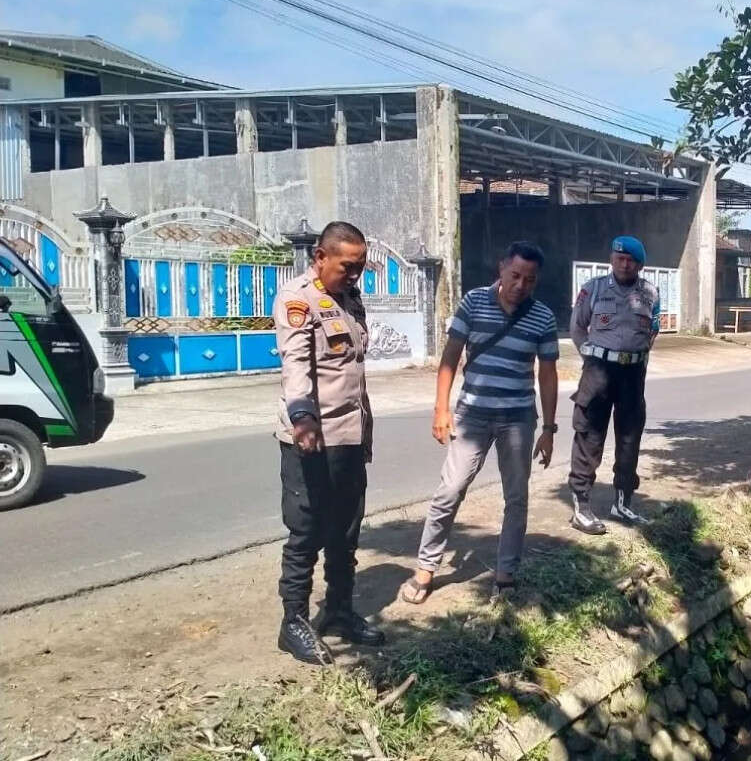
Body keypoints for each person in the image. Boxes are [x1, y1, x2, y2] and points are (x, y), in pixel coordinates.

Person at [401, 241, 558, 605]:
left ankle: (505, 574)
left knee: (516, 498)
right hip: (473, 415)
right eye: (515, 275)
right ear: (502, 268)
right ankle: (426, 567)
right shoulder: (474, 302)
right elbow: (451, 357)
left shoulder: (543, 317)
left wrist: (549, 429)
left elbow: (547, 375)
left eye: (530, 280)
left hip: (518, 418)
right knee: (449, 490)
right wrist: (441, 409)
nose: (521, 285)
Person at [273, 220, 382, 665]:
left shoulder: (350, 297)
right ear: (319, 256)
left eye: (359, 267)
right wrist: (303, 417)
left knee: (345, 530)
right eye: (347, 266)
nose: (354, 275)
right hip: (311, 439)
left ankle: (339, 609)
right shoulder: (297, 299)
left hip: (350, 435)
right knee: (306, 532)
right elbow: (296, 362)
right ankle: (293, 622)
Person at [566, 235, 660, 535]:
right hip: (598, 372)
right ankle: (581, 508)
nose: (624, 263)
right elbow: (577, 327)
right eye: (619, 258)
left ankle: (623, 502)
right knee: (589, 437)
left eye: (630, 259)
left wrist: (639, 355)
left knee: (630, 437)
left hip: (633, 374)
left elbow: (653, 328)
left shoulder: (650, 293)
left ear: (640, 264)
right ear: (611, 259)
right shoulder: (592, 289)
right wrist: (590, 358)